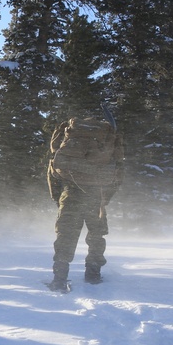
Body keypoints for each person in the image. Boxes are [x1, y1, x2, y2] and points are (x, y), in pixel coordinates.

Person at [47, 110, 124, 292]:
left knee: (66, 235)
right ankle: (93, 274)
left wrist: (58, 197)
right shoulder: (107, 136)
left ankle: (59, 278)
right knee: (96, 235)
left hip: (69, 191)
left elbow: (52, 169)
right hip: (96, 193)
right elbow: (118, 172)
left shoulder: (67, 134)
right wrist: (105, 199)